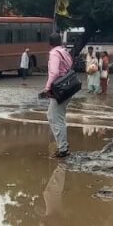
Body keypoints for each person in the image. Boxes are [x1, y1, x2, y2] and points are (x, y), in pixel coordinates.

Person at [40, 31, 74, 159]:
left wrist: (47, 88)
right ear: (60, 42)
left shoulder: (54, 53)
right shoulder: (65, 52)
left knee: (55, 117)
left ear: (50, 43)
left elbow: (54, 73)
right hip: (68, 87)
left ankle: (63, 149)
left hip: (59, 89)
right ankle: (63, 146)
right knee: (56, 116)